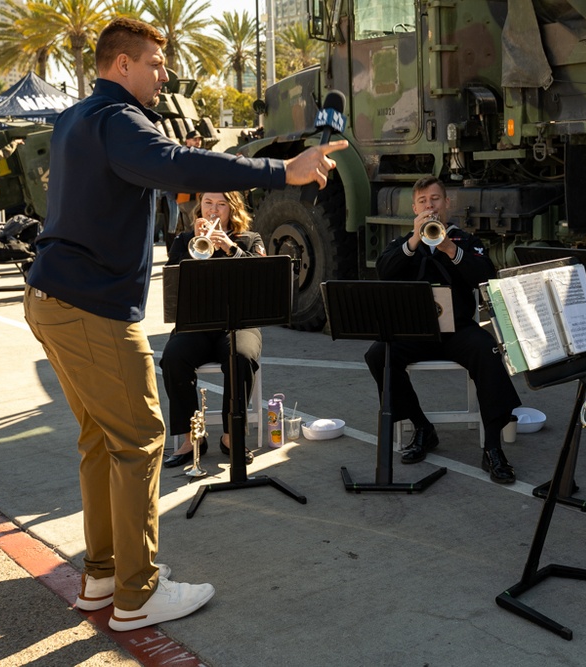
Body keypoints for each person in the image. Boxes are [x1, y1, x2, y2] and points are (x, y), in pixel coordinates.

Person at [22, 17, 346, 632]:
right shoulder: (119, 120)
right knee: (143, 437)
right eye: (153, 63)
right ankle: (137, 594)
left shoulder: (75, 118)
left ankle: (102, 575)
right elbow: (180, 167)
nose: (163, 75)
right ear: (121, 65)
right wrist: (283, 172)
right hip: (90, 307)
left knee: (101, 439)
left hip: (52, 298)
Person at [364, 176, 522, 483]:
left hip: (458, 332)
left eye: (435, 200)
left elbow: (485, 276)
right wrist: (414, 241)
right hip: (415, 332)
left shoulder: (465, 240)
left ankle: (493, 447)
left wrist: (448, 247)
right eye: (423, 202)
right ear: (413, 208)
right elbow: (384, 272)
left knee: (488, 351)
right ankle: (422, 426)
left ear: (447, 203)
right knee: (377, 355)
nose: (429, 206)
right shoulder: (402, 244)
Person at [160, 191, 265, 469]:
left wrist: (231, 249)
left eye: (221, 205)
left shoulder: (250, 239)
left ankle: (232, 437)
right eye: (208, 203)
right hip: (197, 324)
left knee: (241, 357)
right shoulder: (184, 241)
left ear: (232, 210)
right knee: (173, 358)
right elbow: (172, 285)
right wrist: (192, 245)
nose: (213, 211)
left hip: (239, 323)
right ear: (200, 207)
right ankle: (190, 439)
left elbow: (262, 281)